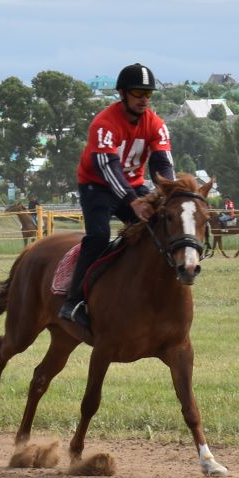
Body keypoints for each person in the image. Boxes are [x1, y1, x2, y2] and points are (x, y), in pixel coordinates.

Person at [58, 64, 176, 328]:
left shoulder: (156, 125)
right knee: (99, 237)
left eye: (148, 93)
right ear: (122, 93)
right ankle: (73, 300)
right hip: (96, 186)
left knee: (159, 227)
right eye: (137, 92)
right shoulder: (104, 123)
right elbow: (107, 168)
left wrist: (167, 193)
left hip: (132, 185)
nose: (144, 98)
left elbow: (163, 164)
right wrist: (134, 201)